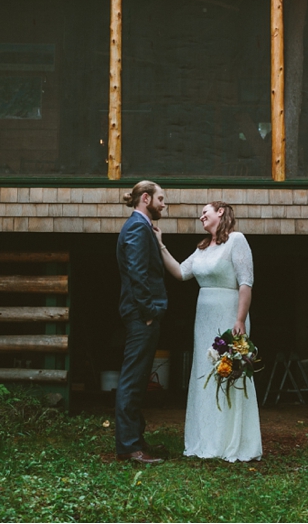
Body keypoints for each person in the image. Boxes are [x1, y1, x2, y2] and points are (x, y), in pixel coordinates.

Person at [155, 201, 262, 462]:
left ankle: (231, 441)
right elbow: (181, 272)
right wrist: (160, 245)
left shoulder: (236, 240)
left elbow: (246, 283)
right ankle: (207, 438)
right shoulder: (203, 247)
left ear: (221, 212)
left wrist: (240, 319)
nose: (201, 215)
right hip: (203, 318)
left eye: (206, 211)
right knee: (205, 370)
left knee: (230, 373)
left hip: (228, 315)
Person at [115, 180, 168, 464]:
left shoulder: (143, 227)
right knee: (132, 380)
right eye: (161, 199)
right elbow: (137, 272)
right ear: (145, 198)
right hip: (140, 315)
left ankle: (135, 440)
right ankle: (129, 447)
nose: (164, 204)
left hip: (141, 314)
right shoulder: (136, 226)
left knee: (137, 378)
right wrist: (148, 311)